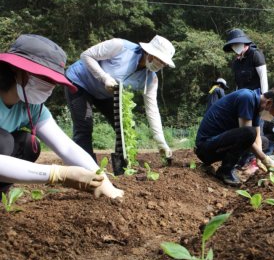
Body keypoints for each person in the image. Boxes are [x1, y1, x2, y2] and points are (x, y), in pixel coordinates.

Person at [0, 34, 123, 199]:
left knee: (27, 143)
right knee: (3, 141)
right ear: (17, 70)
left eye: (52, 80)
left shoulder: (33, 107)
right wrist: (58, 174)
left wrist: (103, 180)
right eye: (43, 77)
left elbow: (67, 147)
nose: (49, 86)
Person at [65, 35, 176, 167]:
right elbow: (86, 55)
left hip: (107, 92)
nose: (161, 65)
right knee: (84, 126)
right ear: (149, 52)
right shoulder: (120, 47)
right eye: (160, 60)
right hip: (80, 82)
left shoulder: (151, 79)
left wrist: (161, 142)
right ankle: (86, 168)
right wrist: (104, 77)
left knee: (124, 127)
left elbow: (152, 110)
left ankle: (121, 167)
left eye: (164, 63)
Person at [194, 88, 274, 186]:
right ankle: (225, 171)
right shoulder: (246, 98)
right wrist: (265, 158)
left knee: (264, 141)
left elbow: (257, 135)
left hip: (218, 145)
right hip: (206, 148)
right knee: (249, 133)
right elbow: (247, 134)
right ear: (269, 103)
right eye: (273, 114)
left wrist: (259, 159)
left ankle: (234, 166)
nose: (272, 117)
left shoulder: (257, 106)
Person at [223, 28, 270, 173]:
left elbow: (263, 78)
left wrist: (265, 99)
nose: (235, 47)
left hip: (257, 97)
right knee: (244, 131)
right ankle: (245, 160)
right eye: (233, 45)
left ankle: (254, 162)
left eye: (237, 44)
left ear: (245, 43)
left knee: (257, 130)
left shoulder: (256, 55)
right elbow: (238, 85)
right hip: (243, 100)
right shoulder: (236, 63)